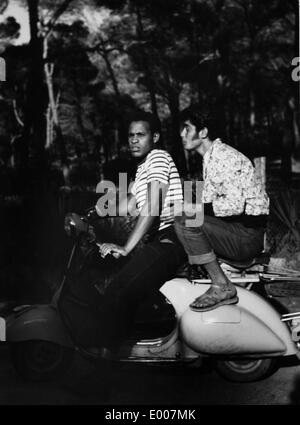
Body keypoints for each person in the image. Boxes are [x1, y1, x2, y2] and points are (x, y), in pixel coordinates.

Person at [65, 111, 186, 395]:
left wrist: (126, 247)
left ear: (154, 137)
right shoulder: (143, 168)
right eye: (131, 135)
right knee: (112, 279)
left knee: (118, 290)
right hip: (159, 240)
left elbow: (152, 207)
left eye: (140, 134)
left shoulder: (158, 158)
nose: (134, 140)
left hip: (171, 241)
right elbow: (131, 204)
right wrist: (93, 212)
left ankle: (104, 375)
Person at [174, 105, 269, 312]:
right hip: (237, 232)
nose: (182, 134)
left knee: (185, 219)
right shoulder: (211, 157)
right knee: (184, 214)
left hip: (246, 237)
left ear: (203, 132)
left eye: (187, 128)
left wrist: (193, 208)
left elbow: (234, 206)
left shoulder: (224, 156)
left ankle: (221, 285)